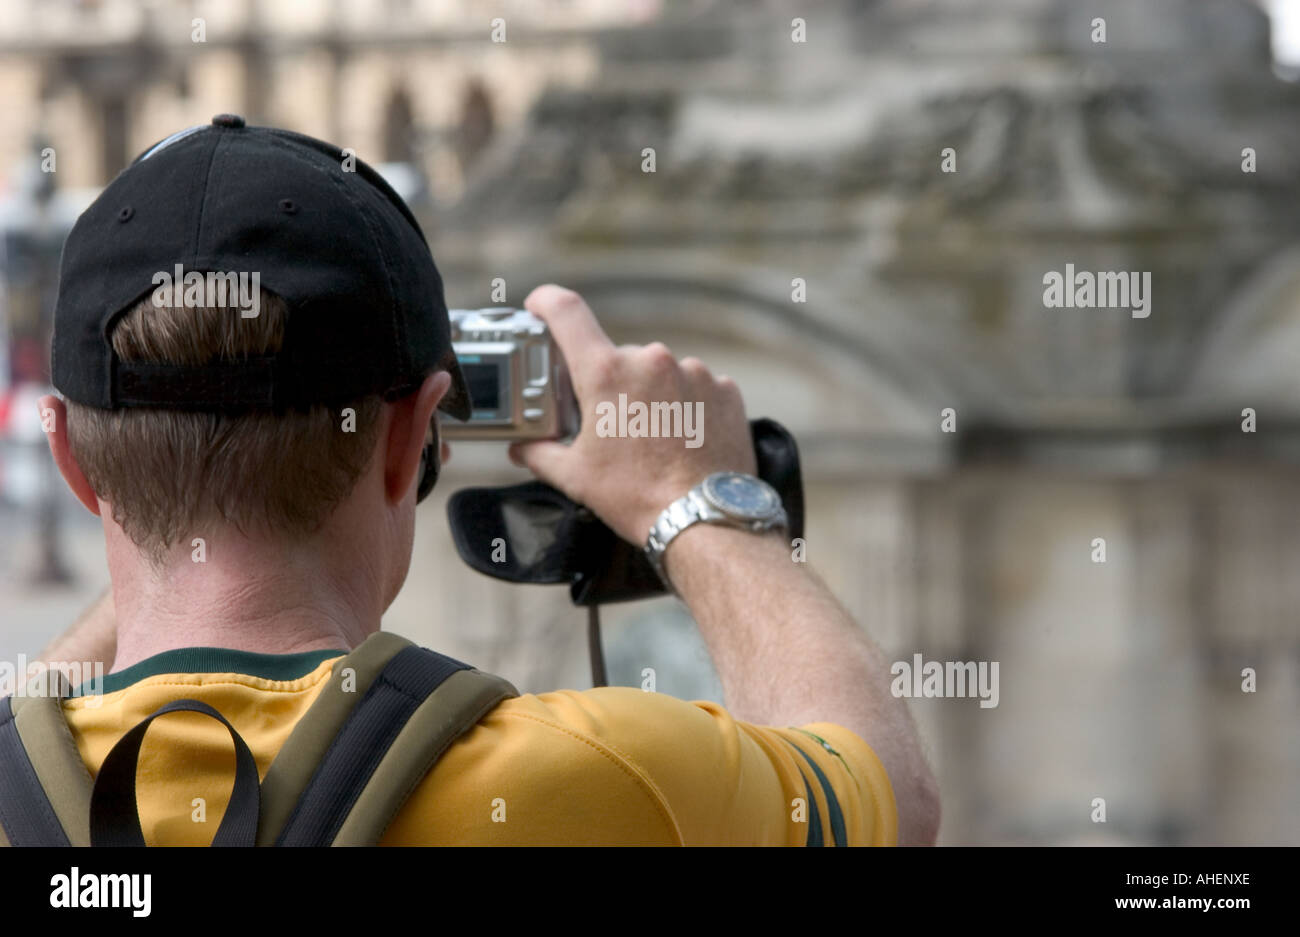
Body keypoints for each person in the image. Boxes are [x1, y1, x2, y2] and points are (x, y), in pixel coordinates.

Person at [23, 116, 939, 846]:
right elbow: (884, 800)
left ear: (67, 456)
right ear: (412, 440)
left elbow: (39, 723)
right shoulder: (600, 777)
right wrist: (692, 496)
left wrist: (162, 489)